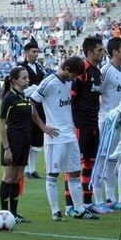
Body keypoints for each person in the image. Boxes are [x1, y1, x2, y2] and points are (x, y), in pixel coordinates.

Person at [30, 56, 99, 221]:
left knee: (75, 172)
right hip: (55, 136)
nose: (74, 79)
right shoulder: (49, 83)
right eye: (74, 75)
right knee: (53, 174)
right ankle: (55, 212)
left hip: (70, 134)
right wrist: (43, 127)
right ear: (66, 69)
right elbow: (31, 103)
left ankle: (79, 209)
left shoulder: (67, 82)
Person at [69, 36, 110, 215]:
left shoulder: (97, 72)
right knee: (74, 166)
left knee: (89, 164)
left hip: (93, 124)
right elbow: (70, 98)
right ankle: (70, 205)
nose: (103, 53)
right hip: (80, 124)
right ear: (90, 52)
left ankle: (86, 202)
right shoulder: (82, 71)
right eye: (100, 50)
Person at [92, 37, 121, 211]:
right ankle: (98, 199)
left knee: (112, 160)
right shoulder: (105, 71)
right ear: (115, 52)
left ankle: (111, 199)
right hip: (107, 121)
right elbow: (97, 95)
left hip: (120, 121)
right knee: (101, 160)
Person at [0, 67, 32, 222]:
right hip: (12, 141)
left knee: (18, 178)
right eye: (24, 78)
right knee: (9, 178)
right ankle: (4, 213)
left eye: (27, 77)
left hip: (25, 141)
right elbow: (2, 124)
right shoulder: (9, 98)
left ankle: (14, 212)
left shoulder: (25, 96)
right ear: (14, 80)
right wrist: (6, 148)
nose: (27, 80)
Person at [20, 40, 47, 179]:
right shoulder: (20, 67)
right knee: (27, 136)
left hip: (39, 105)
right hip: (25, 104)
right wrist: (32, 89)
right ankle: (24, 169)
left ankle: (33, 169)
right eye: (33, 51)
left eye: (37, 51)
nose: (36, 54)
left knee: (37, 137)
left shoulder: (39, 67)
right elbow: (18, 88)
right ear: (26, 52)